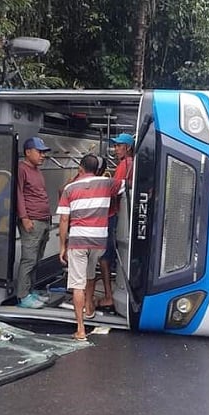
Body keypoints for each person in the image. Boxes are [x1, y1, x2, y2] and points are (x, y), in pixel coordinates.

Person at [57, 154, 122, 340]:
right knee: (90, 274)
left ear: (80, 168)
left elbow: (63, 219)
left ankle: (80, 329)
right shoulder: (107, 183)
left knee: (77, 284)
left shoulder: (70, 188)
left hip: (78, 240)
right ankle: (90, 309)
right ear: (98, 169)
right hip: (99, 241)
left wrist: (62, 246)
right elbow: (127, 185)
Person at [96, 133, 134, 314]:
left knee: (105, 257)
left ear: (127, 147)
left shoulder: (125, 165)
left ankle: (109, 296)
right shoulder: (131, 164)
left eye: (119, 146)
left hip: (112, 215)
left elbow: (115, 190)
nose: (116, 148)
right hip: (120, 215)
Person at [16, 136, 52, 309]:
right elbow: (18, 194)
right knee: (29, 259)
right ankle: (23, 296)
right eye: (39, 152)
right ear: (27, 152)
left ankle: (31, 290)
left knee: (37, 258)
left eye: (44, 152)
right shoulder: (22, 169)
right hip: (32, 221)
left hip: (43, 220)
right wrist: (24, 218)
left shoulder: (36, 170)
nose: (42, 156)